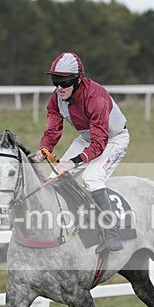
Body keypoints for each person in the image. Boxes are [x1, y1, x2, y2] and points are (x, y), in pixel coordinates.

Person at [31, 52, 130, 252]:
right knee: (55, 178)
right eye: (55, 81)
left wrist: (75, 161)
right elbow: (53, 129)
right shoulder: (56, 99)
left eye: (64, 82)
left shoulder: (95, 97)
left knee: (91, 178)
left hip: (113, 139)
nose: (59, 88)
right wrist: (44, 149)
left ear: (77, 81)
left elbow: (100, 141)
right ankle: (72, 225)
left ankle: (112, 233)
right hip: (87, 138)